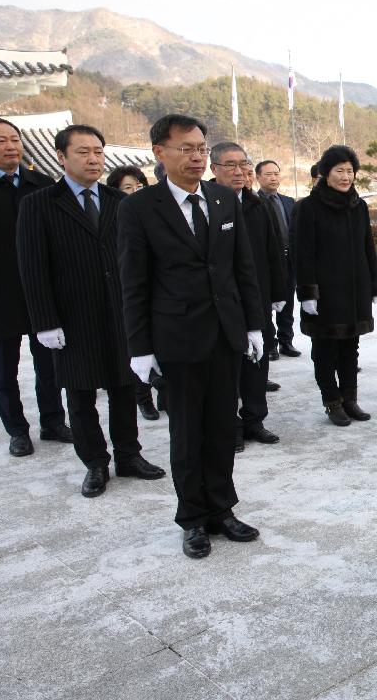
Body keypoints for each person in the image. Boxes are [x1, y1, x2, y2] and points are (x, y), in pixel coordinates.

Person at [118, 114, 266, 559]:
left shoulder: (224, 199)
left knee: (223, 428)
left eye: (201, 148)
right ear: (159, 153)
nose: (197, 156)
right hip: (176, 339)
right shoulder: (139, 208)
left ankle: (222, 508)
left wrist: (254, 325)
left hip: (225, 335)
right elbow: (134, 283)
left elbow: (243, 268)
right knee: (187, 433)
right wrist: (139, 347)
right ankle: (192, 518)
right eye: (186, 148)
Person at [16, 125, 166, 497]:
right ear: (62, 157)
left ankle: (129, 456)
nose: (93, 158)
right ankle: (95, 462)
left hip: (120, 312)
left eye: (98, 151)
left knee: (124, 387)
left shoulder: (121, 201)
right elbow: (32, 267)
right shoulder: (39, 204)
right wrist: (45, 322)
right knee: (80, 394)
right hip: (71, 316)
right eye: (83, 152)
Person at [0, 117, 70, 457]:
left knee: (49, 364)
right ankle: (17, 430)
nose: (11, 146)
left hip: (40, 291)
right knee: (3, 369)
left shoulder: (41, 184)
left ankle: (53, 421)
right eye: (1, 141)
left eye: (15, 139)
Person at [296, 145, 377, 426]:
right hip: (325, 293)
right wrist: (308, 292)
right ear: (325, 173)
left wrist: (373, 281)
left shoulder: (357, 206)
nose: (346, 177)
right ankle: (332, 402)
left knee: (350, 348)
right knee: (325, 350)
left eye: (350, 171)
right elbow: (303, 253)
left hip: (354, 290)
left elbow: (368, 247)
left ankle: (350, 399)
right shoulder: (308, 208)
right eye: (339, 171)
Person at [209, 143, 286, 449]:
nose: (239, 171)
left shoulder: (258, 205)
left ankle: (255, 419)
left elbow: (273, 252)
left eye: (243, 165)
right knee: (227, 367)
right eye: (230, 165)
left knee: (257, 363)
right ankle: (231, 426)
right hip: (221, 300)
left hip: (257, 297)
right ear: (213, 169)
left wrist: (279, 292)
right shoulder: (206, 204)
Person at [107, 166, 163, 421]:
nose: (134, 192)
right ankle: (143, 397)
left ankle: (163, 391)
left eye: (139, 187)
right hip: (125, 290)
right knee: (138, 348)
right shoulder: (114, 213)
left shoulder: (153, 212)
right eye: (127, 188)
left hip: (156, 291)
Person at [255, 159, 300, 359]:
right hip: (268, 262)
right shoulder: (254, 203)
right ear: (257, 177)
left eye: (276, 174)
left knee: (288, 302)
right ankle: (270, 343)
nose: (273, 178)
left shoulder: (288, 201)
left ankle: (286, 341)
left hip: (289, 259)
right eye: (268, 174)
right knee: (267, 303)